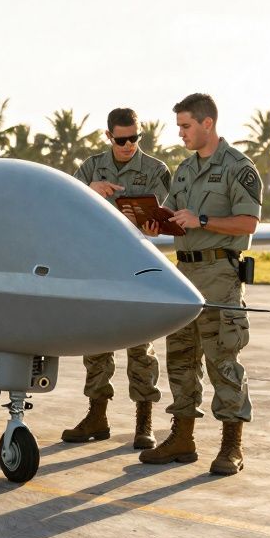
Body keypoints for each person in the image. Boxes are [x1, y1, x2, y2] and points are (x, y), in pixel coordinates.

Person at [139, 93, 260, 475]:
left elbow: (248, 223)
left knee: (222, 359)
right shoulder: (185, 171)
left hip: (219, 275)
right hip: (183, 273)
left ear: (207, 124)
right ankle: (182, 438)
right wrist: (156, 223)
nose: (180, 134)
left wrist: (203, 221)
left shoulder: (239, 168)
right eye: (179, 127)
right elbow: (177, 215)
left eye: (186, 126)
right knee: (180, 357)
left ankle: (231, 447)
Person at [62, 107, 171, 450]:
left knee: (141, 346)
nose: (128, 145)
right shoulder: (91, 168)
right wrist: (89, 189)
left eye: (134, 138)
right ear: (109, 136)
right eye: (121, 139)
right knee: (97, 345)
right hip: (99, 267)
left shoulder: (156, 170)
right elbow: (65, 205)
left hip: (138, 267)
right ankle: (97, 416)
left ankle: (144, 422)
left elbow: (164, 215)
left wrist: (155, 224)